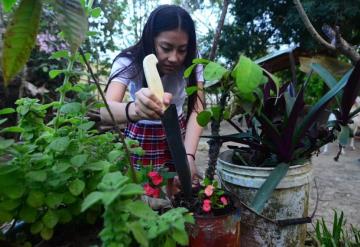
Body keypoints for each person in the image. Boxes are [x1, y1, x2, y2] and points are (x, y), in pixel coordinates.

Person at [101, 5, 204, 186]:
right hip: (141, 131)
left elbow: (198, 107)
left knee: (175, 188)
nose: (174, 58)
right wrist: (135, 109)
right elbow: (104, 109)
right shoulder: (128, 61)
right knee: (143, 189)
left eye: (182, 50)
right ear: (151, 40)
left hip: (176, 129)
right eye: (166, 47)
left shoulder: (193, 61)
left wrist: (188, 155)